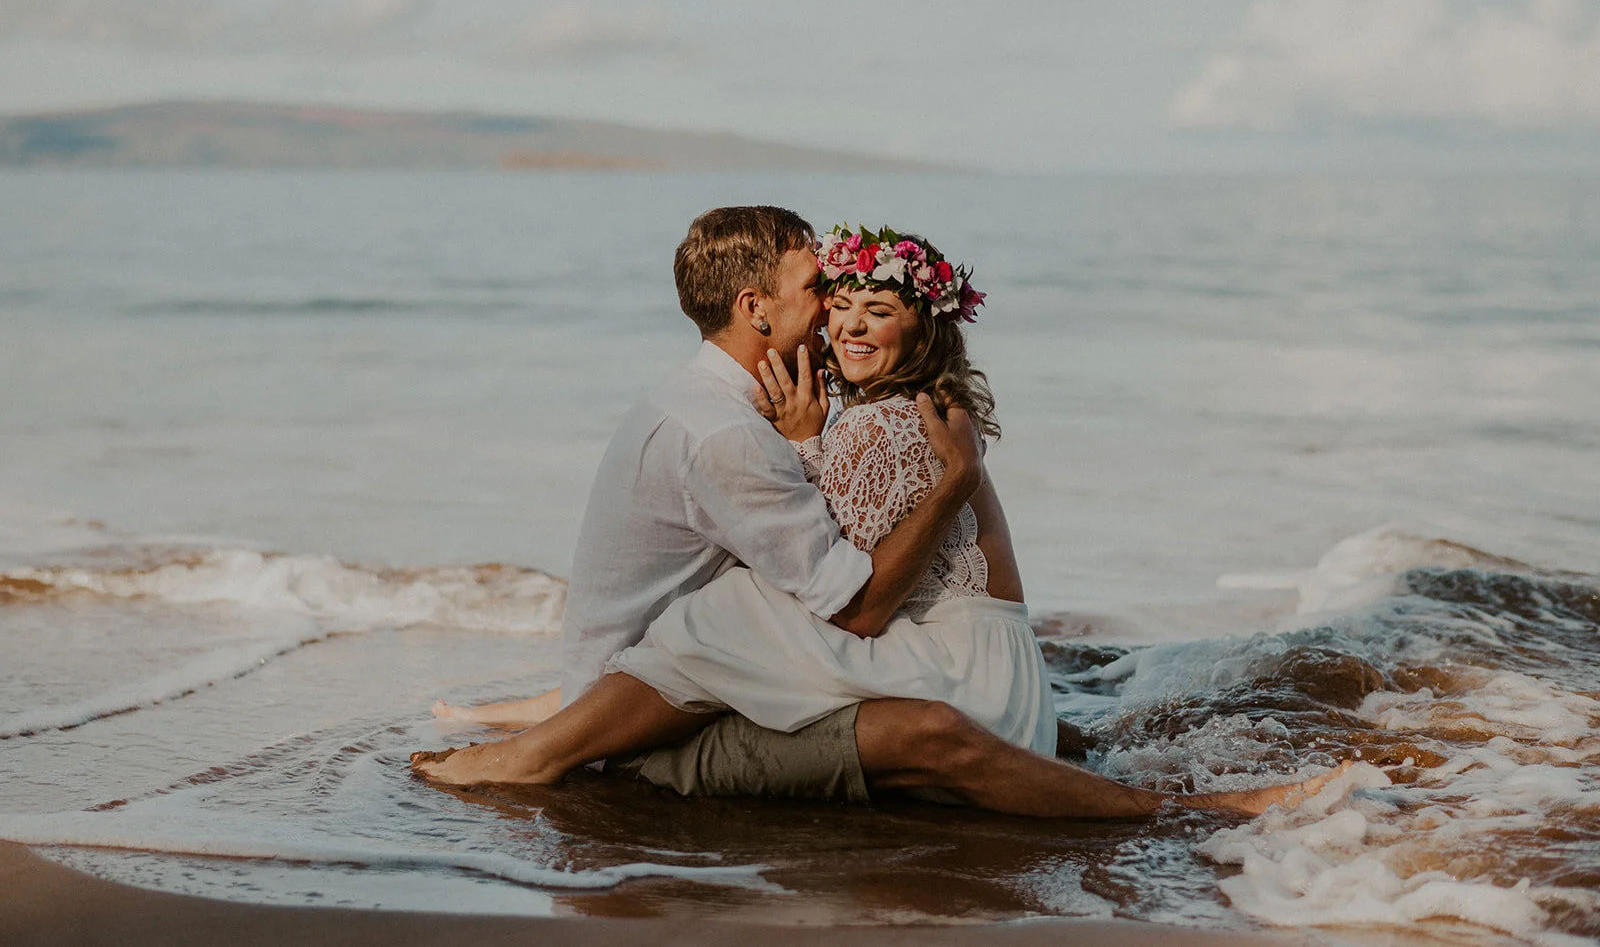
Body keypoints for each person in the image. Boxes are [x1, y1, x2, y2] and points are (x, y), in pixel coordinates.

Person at [413, 207, 1335, 818]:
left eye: (868, 303)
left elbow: (845, 598)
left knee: (728, 613)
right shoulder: (755, 431)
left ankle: (543, 738)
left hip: (900, 671)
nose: (838, 319)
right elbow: (847, 595)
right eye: (826, 293)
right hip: (686, 716)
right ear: (754, 308)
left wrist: (861, 457)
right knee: (733, 613)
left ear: (920, 324)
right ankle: (544, 740)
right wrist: (848, 451)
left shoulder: (771, 414)